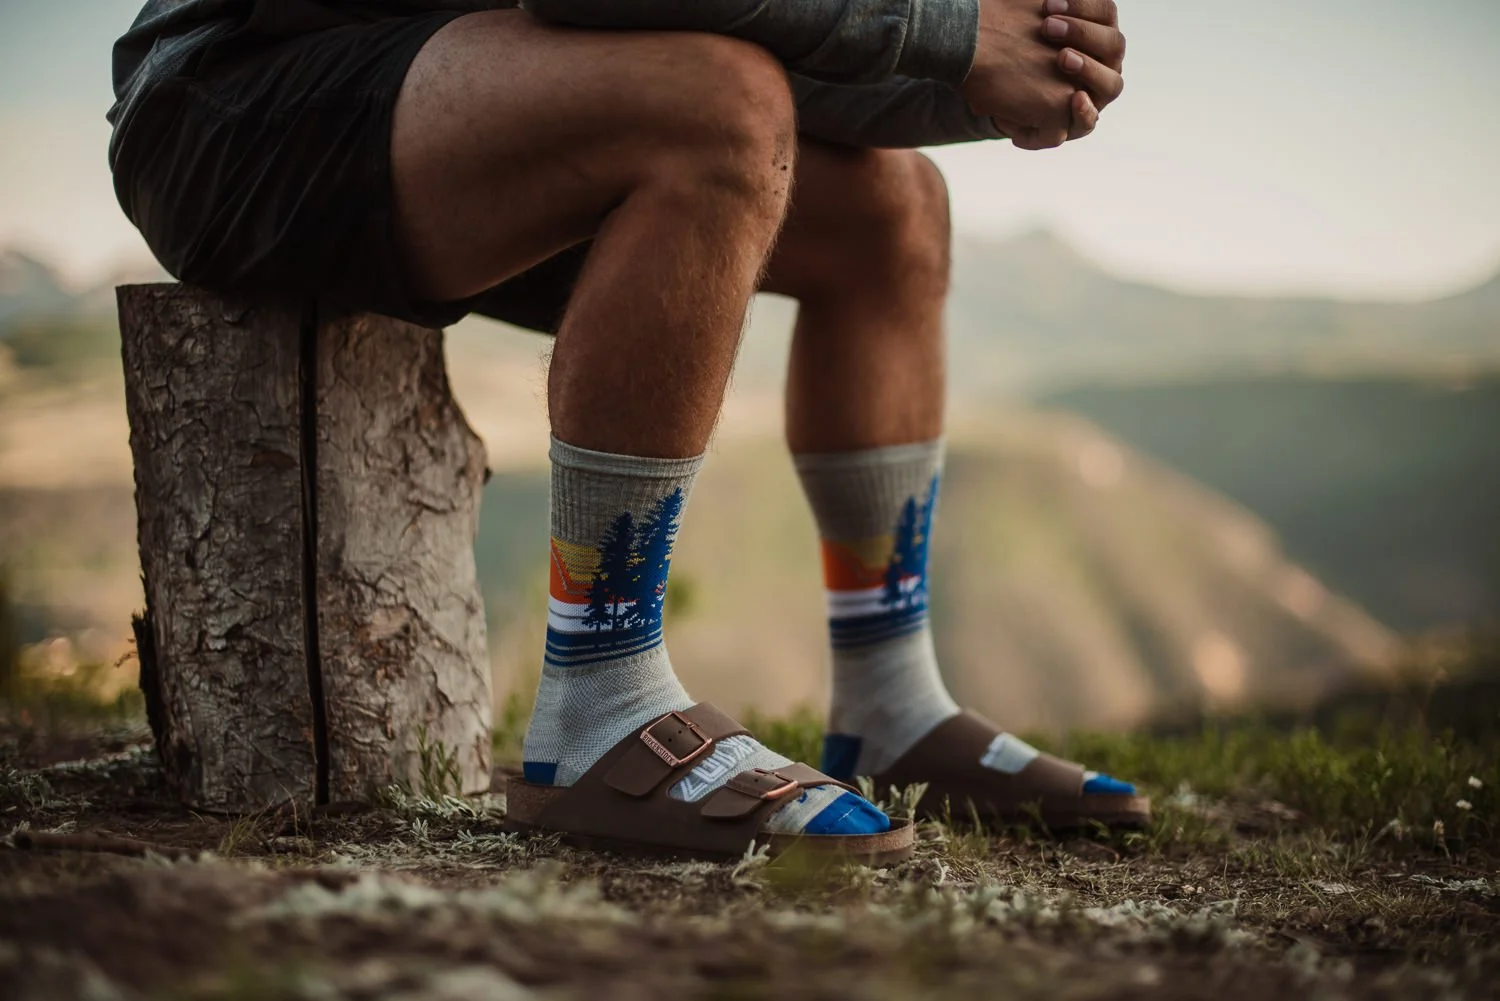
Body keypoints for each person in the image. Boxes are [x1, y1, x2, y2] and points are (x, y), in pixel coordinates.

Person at [108, 0, 1146, 862]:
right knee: (716, 106)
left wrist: (1004, 68)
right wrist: (949, 33)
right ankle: (600, 704)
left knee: (896, 208)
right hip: (231, 90)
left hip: (453, 79)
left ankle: (890, 699)